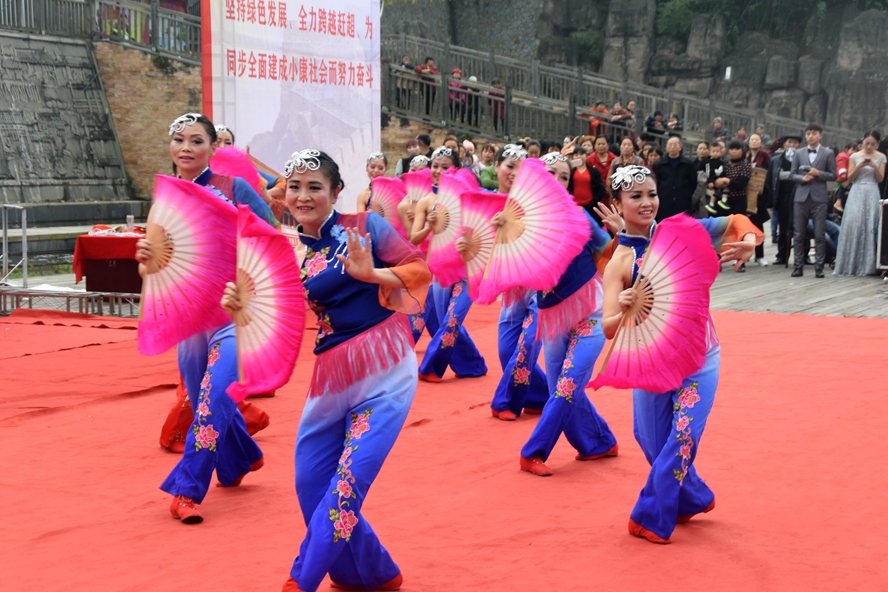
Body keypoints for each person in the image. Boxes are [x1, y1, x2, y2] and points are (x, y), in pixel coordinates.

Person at [242, 150, 430, 592]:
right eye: (295, 187)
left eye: (315, 187)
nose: (303, 196)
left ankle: (301, 580)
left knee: (347, 484)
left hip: (385, 367)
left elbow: (419, 270)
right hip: (330, 372)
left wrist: (373, 274)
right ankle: (374, 573)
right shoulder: (287, 250)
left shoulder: (365, 227)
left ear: (336, 191)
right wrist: (239, 306)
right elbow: (274, 312)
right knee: (310, 483)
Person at [599, 165, 761, 544]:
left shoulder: (680, 231)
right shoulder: (618, 262)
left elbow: (736, 221)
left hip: (699, 354)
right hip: (651, 358)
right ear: (618, 204)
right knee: (651, 440)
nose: (647, 202)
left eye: (651, 194)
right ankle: (692, 497)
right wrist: (624, 309)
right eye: (635, 197)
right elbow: (608, 327)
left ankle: (650, 517)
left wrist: (750, 240)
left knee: (682, 436)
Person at [138, 113, 278, 524]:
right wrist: (146, 261)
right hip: (190, 318)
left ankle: (186, 489)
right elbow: (152, 269)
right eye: (179, 139)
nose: (186, 148)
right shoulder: (164, 202)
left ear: (213, 148)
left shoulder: (234, 188)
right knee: (205, 399)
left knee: (214, 398)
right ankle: (240, 458)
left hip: (234, 312)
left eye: (196, 140)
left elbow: (271, 238)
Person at [517, 168, 623, 477]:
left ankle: (533, 452)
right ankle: (599, 442)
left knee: (566, 386)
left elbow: (608, 253)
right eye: (549, 173)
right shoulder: (522, 225)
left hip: (592, 312)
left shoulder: (579, 216)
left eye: (563, 176)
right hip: (552, 316)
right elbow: (513, 270)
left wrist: (621, 235)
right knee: (560, 389)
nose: (556, 180)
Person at [478, 145, 549, 420]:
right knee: (507, 349)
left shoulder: (538, 204)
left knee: (526, 344)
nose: (514, 172)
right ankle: (542, 396)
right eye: (509, 165)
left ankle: (505, 402)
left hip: (540, 285)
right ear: (496, 166)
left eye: (521, 168)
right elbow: (477, 249)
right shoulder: (485, 203)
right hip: (510, 288)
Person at [411, 147, 487, 382]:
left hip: (468, 268)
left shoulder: (465, 196)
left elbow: (480, 229)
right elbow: (413, 239)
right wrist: (429, 227)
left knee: (453, 319)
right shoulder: (426, 202)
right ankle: (473, 364)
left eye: (445, 167)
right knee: (449, 321)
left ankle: (430, 367)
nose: (438, 171)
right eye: (435, 166)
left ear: (456, 169)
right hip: (440, 269)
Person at [834, 130, 886, 276]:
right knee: (854, 223)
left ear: (877, 144)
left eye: (873, 144)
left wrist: (874, 166)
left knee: (870, 224)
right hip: (857, 190)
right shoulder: (855, 156)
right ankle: (849, 264)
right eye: (867, 143)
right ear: (862, 142)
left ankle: (869, 265)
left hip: (872, 190)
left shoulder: (881, 157)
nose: (869, 147)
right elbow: (849, 178)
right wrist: (859, 166)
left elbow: (880, 179)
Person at [791, 123, 837, 278]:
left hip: (819, 197)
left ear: (820, 135)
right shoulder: (799, 153)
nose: (811, 136)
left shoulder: (828, 153)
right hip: (801, 197)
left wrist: (819, 173)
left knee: (819, 234)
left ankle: (819, 267)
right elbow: (792, 174)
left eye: (814, 133)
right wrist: (802, 178)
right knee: (798, 234)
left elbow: (833, 175)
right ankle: (798, 266)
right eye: (808, 133)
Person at [766, 135, 800, 265]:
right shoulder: (775, 160)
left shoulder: (802, 159)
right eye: (789, 142)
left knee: (801, 226)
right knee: (783, 227)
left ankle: (803, 256)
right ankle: (782, 255)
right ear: (784, 145)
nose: (792, 145)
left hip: (799, 196)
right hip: (782, 197)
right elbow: (771, 179)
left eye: (795, 143)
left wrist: (786, 174)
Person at [652, 136, 698, 221]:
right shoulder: (659, 165)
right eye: (670, 145)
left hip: (683, 203)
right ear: (666, 147)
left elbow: (693, 183)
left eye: (675, 145)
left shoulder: (689, 164)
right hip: (664, 204)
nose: (672, 147)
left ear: (680, 147)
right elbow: (655, 183)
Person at [745, 133, 771, 266]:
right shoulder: (746, 156)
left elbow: (768, 173)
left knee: (758, 225)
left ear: (761, 143)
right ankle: (745, 254)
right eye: (752, 140)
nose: (754, 142)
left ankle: (760, 255)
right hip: (747, 194)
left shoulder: (765, 156)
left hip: (760, 194)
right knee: (745, 226)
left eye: (757, 140)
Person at [566, 145, 608, 223]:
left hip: (590, 207)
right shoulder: (570, 172)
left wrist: (593, 203)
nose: (579, 156)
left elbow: (601, 189)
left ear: (586, 156)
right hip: (574, 207)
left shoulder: (594, 172)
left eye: (581, 154)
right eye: (576, 154)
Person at [703, 140, 729, 216]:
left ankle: (723, 201)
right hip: (713, 180)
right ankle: (711, 204)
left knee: (724, 189)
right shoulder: (708, 162)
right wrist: (710, 181)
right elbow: (708, 173)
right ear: (709, 152)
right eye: (713, 151)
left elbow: (723, 171)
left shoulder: (722, 162)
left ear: (721, 152)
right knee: (716, 192)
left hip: (721, 179)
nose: (715, 153)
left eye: (717, 151)